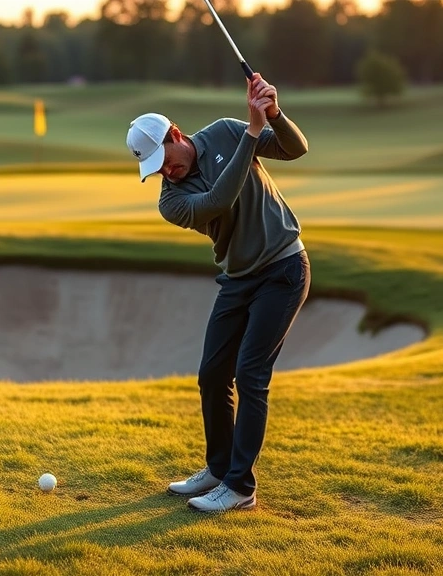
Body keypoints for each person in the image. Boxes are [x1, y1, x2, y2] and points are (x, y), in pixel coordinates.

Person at [125, 73, 311, 513]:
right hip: (238, 278)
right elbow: (217, 201)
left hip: (283, 267)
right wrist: (251, 131)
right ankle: (219, 467)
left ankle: (240, 487)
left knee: (250, 374)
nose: (166, 173)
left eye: (164, 160)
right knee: (212, 375)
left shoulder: (226, 130)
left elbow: (295, 148)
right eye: (155, 170)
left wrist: (273, 114)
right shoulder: (171, 201)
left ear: (175, 134)